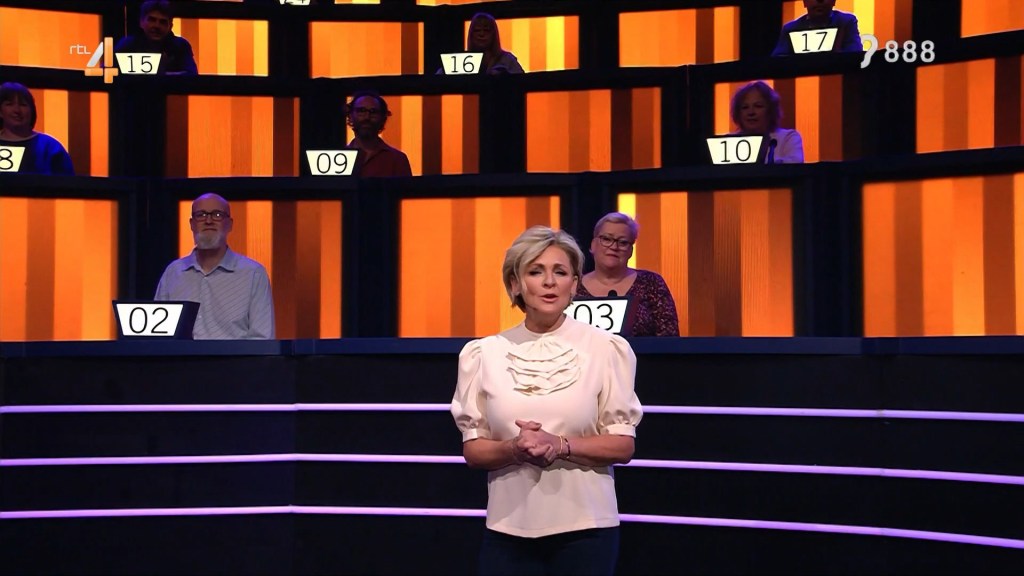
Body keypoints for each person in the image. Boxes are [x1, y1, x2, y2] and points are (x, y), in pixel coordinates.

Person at [451, 225, 642, 575]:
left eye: (560, 272)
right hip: (506, 530)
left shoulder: (606, 349)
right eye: (536, 272)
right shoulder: (483, 354)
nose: (549, 282)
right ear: (515, 284)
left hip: (587, 529)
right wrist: (514, 449)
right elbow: (474, 451)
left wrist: (560, 445)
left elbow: (622, 445)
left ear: (574, 284)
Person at [154, 193, 275, 339]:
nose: (208, 220)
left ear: (229, 224)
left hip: (234, 355)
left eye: (217, 215)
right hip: (180, 355)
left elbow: (261, 339)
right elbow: (158, 336)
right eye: (201, 215)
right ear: (192, 224)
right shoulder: (173, 273)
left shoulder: (254, 274)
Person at [577, 212, 680, 337]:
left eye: (623, 242)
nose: (614, 246)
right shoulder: (573, 286)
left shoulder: (652, 283)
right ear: (593, 245)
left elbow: (669, 338)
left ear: (631, 250)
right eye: (607, 239)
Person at [0, 82, 74, 175]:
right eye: (9, 104)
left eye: (23, 104)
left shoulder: (50, 147)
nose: (17, 110)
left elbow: (67, 181)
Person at [728, 80, 804, 164]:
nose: (751, 112)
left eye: (758, 106)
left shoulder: (788, 138)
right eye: (745, 107)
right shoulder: (728, 142)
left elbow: (794, 165)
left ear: (771, 110)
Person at [114, 0, 198, 75]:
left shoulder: (180, 45)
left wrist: (162, 75)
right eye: (152, 20)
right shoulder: (127, 44)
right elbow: (111, 73)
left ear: (170, 26)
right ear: (141, 22)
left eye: (163, 22)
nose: (157, 26)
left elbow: (191, 75)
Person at [345, 91, 413, 177]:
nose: (367, 117)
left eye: (373, 112)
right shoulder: (339, 158)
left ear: (383, 119)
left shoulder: (398, 159)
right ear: (350, 116)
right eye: (361, 111)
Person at [772, 0, 862, 57]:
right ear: (804, 2)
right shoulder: (789, 28)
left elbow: (855, 54)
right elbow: (778, 60)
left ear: (834, 1)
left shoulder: (847, 22)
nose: (819, 1)